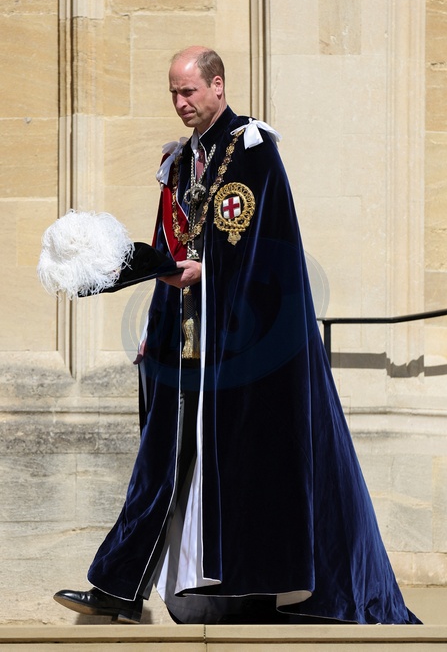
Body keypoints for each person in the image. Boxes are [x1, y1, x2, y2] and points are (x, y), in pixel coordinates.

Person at [53, 46, 421, 625]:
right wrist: (152, 319)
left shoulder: (252, 150)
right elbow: (169, 248)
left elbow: (271, 251)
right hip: (183, 339)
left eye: (189, 91)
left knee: (244, 464)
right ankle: (120, 586)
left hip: (243, 343)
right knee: (162, 455)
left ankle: (251, 591)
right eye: (173, 93)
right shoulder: (178, 163)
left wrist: (209, 274)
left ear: (217, 86)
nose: (180, 102)